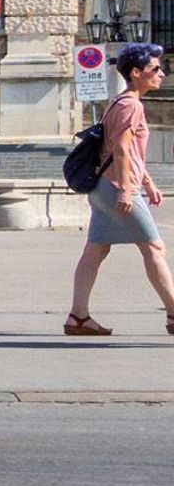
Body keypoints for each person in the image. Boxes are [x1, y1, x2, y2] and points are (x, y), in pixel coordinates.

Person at [66, 43, 174, 338]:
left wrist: (147, 182)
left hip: (104, 185)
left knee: (96, 249)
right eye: (155, 69)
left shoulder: (119, 101)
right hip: (117, 187)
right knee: (154, 248)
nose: (161, 74)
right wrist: (128, 190)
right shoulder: (131, 105)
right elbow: (122, 149)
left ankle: (78, 316)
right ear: (136, 72)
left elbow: (126, 150)